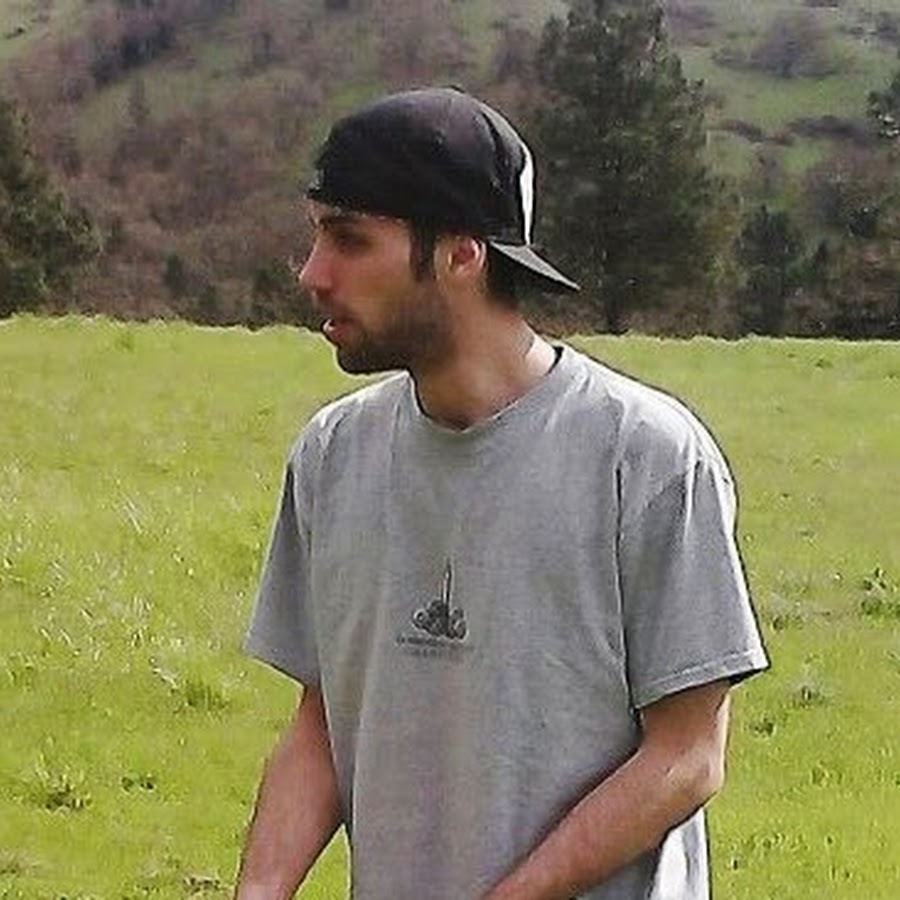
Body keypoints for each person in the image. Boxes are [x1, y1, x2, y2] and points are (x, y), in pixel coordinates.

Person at [235, 86, 768, 900]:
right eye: (316, 236)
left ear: (461, 255)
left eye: (350, 240)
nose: (313, 273)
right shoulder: (333, 455)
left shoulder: (648, 458)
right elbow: (324, 720)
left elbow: (688, 756)